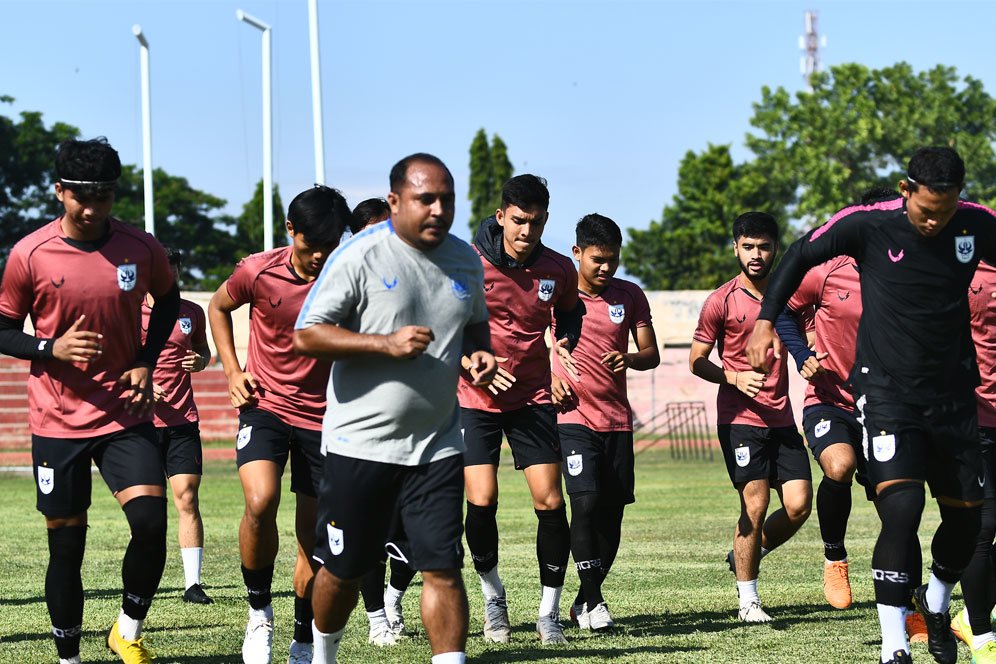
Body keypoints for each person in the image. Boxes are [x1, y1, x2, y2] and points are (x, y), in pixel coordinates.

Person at [747, 147, 996, 664]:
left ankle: (935, 598)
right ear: (906, 192)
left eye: (945, 212)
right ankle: (894, 646)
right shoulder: (865, 224)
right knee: (902, 507)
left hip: (952, 396)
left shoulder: (976, 223)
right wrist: (768, 320)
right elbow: (796, 255)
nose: (935, 222)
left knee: (968, 524)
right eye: (926, 210)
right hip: (885, 393)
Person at [294, 152, 497, 664]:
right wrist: (384, 344)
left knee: (443, 568)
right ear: (394, 201)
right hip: (358, 446)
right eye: (424, 199)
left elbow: (473, 321)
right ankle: (323, 655)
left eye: (446, 200)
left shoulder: (465, 258)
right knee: (343, 570)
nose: (437, 210)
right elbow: (307, 335)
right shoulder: (359, 256)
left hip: (437, 445)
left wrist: (478, 352)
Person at [0, 137, 179, 664]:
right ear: (59, 192)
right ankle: (68, 657)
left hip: (124, 415)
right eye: (81, 195)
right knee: (66, 545)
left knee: (150, 523)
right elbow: (3, 328)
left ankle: (126, 628)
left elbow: (168, 301)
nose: (92, 206)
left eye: (103, 195)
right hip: (57, 421)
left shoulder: (141, 247)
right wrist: (49, 347)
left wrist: (146, 358)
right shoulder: (29, 254)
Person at [208, 185, 355, 664]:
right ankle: (258, 615)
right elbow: (218, 307)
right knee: (260, 500)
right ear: (291, 231)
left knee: (311, 535)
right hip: (265, 406)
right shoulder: (258, 270)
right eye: (312, 246)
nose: (321, 256)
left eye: (331, 245)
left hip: (325, 418)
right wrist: (232, 371)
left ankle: (302, 639)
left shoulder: (352, 276)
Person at [774, 188, 928, 639]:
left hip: (888, 405)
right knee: (838, 465)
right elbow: (782, 309)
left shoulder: (912, 270)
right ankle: (835, 557)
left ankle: (914, 609)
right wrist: (800, 351)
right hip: (831, 399)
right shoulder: (826, 269)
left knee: (899, 505)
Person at [459, 174, 585, 645]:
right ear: (500, 217)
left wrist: (564, 340)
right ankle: (493, 598)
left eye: (535, 222)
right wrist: (473, 365)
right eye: (517, 221)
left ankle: (549, 611)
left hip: (532, 396)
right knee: (482, 499)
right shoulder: (467, 265)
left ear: (545, 219)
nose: (525, 231)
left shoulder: (557, 269)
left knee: (550, 501)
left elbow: (569, 311)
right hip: (474, 398)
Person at [689, 211, 813, 624]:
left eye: (763, 247)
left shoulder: (792, 296)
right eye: (748, 247)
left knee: (798, 506)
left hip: (782, 419)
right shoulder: (721, 300)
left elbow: (809, 336)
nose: (756, 255)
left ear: (776, 248)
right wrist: (733, 376)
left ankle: (745, 552)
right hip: (740, 419)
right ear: (735, 248)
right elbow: (696, 361)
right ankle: (748, 601)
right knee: (755, 507)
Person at [550, 213, 660, 631]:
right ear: (577, 253)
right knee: (586, 502)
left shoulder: (629, 295)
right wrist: (550, 376)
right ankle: (596, 601)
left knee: (612, 513)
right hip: (572, 416)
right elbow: (532, 343)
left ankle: (584, 600)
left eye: (612, 259)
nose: (605, 267)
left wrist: (629, 358)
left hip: (617, 420)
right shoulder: (557, 298)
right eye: (597, 259)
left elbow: (651, 353)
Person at [142, 247, 213, 605]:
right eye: (160, 268)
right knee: (148, 508)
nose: (166, 274)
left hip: (183, 421)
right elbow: (113, 364)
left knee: (187, 497)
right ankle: (144, 580)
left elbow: (203, 350)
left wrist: (201, 360)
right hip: (141, 425)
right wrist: (140, 384)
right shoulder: (129, 313)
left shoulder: (192, 312)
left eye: (171, 268)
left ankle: (192, 585)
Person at [949, 258, 996, 661]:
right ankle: (981, 633)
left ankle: (954, 603)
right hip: (974, 420)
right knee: (985, 526)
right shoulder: (962, 271)